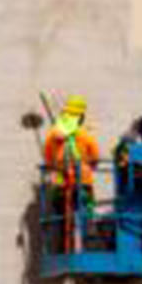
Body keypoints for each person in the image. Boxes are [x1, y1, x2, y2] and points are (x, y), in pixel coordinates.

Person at [42, 94, 99, 250]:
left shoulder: (52, 135)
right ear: (80, 117)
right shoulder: (85, 135)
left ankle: (62, 248)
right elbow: (94, 157)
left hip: (61, 182)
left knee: (61, 218)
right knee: (86, 215)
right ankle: (89, 247)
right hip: (83, 182)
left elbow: (47, 158)